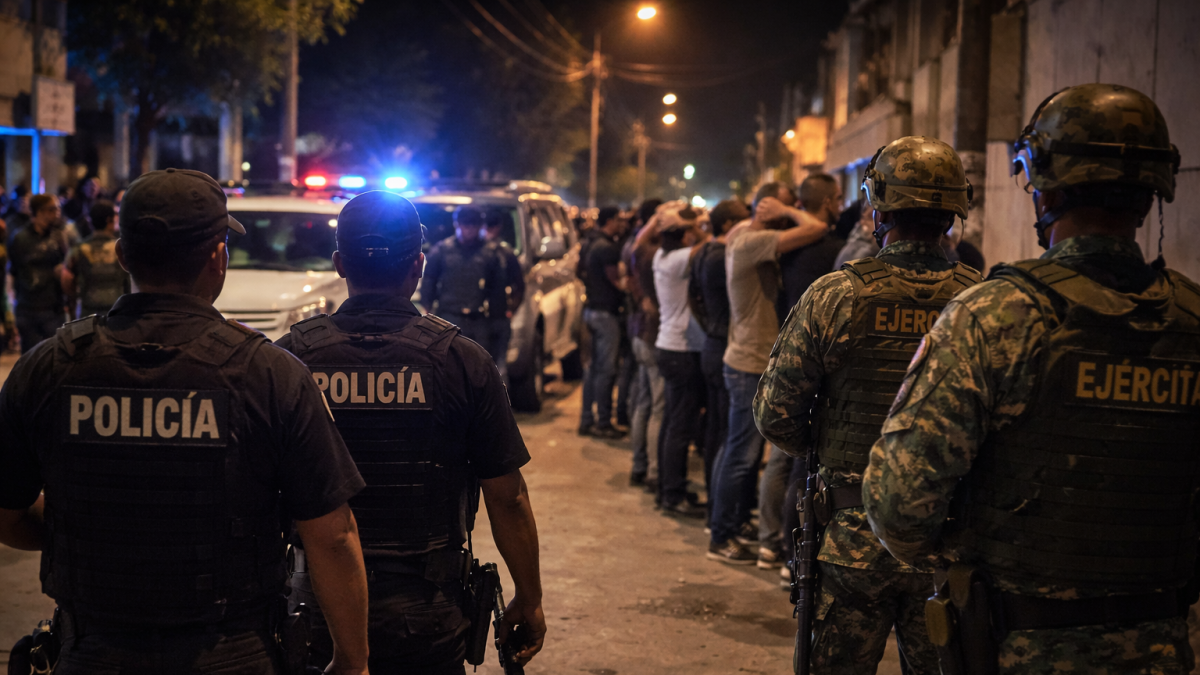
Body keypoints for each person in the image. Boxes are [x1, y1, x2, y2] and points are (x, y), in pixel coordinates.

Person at [864, 83, 1198, 674]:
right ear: (1153, 193)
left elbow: (898, 507)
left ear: (1043, 187)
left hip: (1019, 643)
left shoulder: (993, 316)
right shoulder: (1192, 321)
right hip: (1163, 644)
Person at [0, 168, 370, 675]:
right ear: (218, 258)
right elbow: (332, 535)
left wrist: (96, 529)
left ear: (122, 256)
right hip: (233, 653)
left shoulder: (47, 367)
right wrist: (353, 661)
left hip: (93, 651)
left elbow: (7, 514)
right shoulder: (270, 373)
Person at [277, 190, 546, 673]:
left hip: (314, 608)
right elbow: (507, 497)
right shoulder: (463, 360)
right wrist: (529, 598)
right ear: (419, 266)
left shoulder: (289, 359)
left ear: (340, 263)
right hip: (426, 612)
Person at [756, 136, 981, 673]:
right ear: (953, 214)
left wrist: (833, 448)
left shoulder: (836, 295)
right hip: (946, 540)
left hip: (851, 536)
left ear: (876, 210)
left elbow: (775, 415)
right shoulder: (981, 302)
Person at [706, 182, 827, 564]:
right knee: (742, 454)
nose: (792, 212)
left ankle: (726, 524)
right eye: (786, 206)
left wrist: (772, 212)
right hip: (749, 362)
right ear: (766, 211)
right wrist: (788, 213)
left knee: (734, 448)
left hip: (742, 357)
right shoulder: (750, 241)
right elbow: (816, 228)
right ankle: (721, 537)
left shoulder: (743, 234)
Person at [757, 173, 849, 570]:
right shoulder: (830, 249)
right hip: (821, 362)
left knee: (785, 457)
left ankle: (775, 546)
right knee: (802, 464)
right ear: (828, 201)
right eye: (838, 199)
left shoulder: (788, 249)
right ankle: (794, 553)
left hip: (789, 353)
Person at [688, 198, 749, 507]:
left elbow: (693, 299)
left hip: (711, 340)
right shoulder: (722, 256)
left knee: (716, 428)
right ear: (727, 225)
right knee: (725, 432)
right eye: (743, 219)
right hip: (723, 343)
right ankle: (720, 506)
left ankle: (715, 501)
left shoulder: (702, 253)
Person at [650, 204, 708, 518]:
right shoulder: (678, 260)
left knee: (672, 423)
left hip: (667, 344)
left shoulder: (661, 257)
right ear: (683, 234)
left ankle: (667, 488)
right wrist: (695, 223)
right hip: (681, 349)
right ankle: (673, 493)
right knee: (680, 426)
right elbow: (710, 244)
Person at [420, 205, 506, 365]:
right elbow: (429, 282)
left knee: (479, 366)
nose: (469, 229)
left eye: (474, 225)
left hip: (479, 319)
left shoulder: (491, 253)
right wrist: (428, 310)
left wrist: (497, 321)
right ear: (457, 225)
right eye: (466, 225)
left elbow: (497, 290)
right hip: (448, 317)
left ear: (480, 226)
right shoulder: (442, 251)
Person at [626, 199, 665, 488]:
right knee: (658, 406)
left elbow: (638, 244)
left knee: (643, 402)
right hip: (653, 335)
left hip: (640, 332)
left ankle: (639, 464)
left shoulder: (642, 252)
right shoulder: (660, 256)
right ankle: (653, 470)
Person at [579, 206, 628, 438]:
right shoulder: (607, 247)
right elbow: (616, 281)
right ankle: (603, 422)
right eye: (619, 219)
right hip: (605, 314)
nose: (622, 223)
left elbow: (581, 271)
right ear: (610, 221)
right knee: (606, 370)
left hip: (590, 310)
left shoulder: (589, 242)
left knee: (593, 369)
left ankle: (587, 419)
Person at [8, 193, 69, 353]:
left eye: (58, 208)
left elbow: (68, 268)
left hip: (53, 309)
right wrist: (10, 308)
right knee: (31, 362)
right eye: (52, 209)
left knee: (56, 359)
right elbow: (12, 273)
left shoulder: (59, 237)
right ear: (39, 212)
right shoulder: (20, 238)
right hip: (27, 310)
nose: (57, 212)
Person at [61, 200, 130, 319]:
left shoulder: (78, 249)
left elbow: (66, 280)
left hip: (88, 312)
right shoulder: (121, 248)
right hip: (117, 311)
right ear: (110, 220)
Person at [485, 210, 526, 383]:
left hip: (488, 318)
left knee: (489, 366)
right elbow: (519, 286)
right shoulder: (506, 252)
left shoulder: (478, 251)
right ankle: (501, 407)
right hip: (499, 314)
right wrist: (511, 309)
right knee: (499, 366)